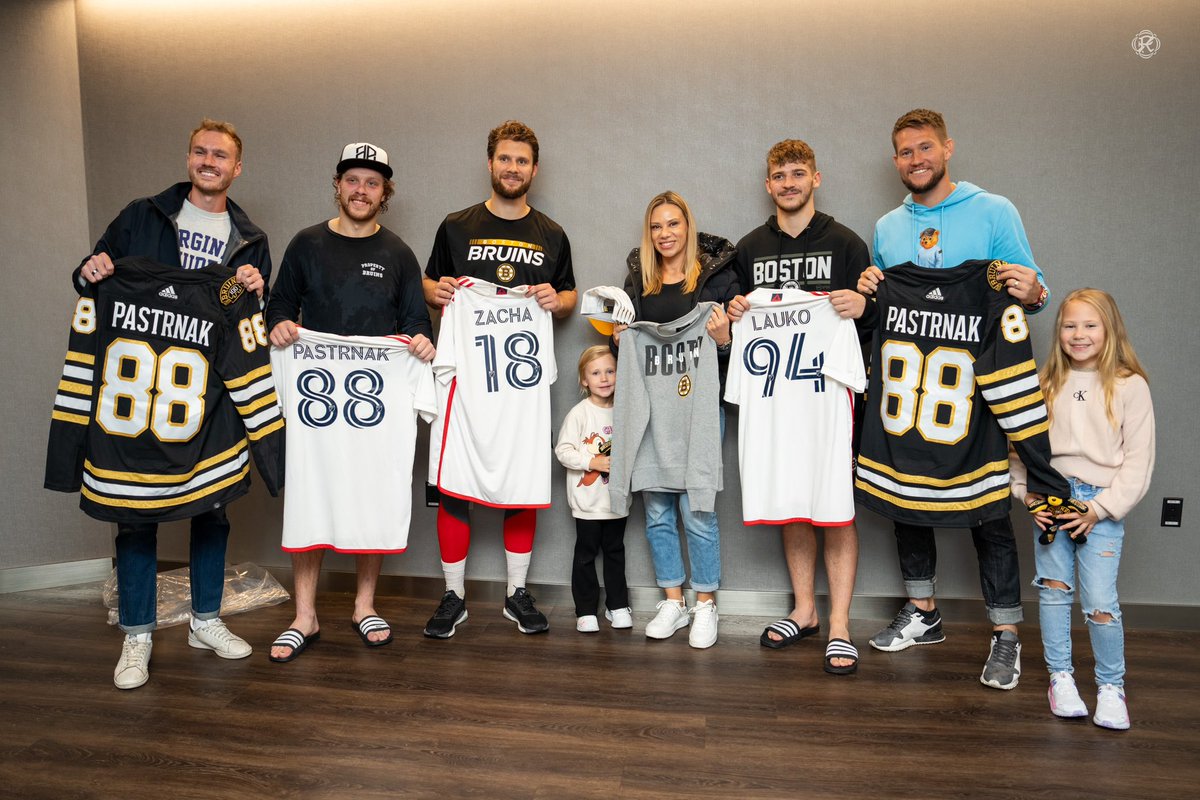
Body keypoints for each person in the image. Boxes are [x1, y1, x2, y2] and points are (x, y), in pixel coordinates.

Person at [858, 108, 1054, 690]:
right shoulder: (887, 227)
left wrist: (1034, 289)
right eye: (905, 152)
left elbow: (1030, 292)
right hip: (911, 395)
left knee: (990, 513)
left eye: (925, 148)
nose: (916, 160)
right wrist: (872, 287)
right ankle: (924, 612)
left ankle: (1006, 634)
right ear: (895, 161)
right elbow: (883, 311)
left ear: (947, 148)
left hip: (979, 391)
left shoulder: (995, 210)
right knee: (907, 500)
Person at [75, 118, 271, 689]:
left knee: (213, 506)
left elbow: (236, 314)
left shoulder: (248, 238)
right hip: (142, 391)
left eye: (221, 155)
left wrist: (251, 285)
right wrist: (88, 272)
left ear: (238, 168)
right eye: (200, 152)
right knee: (134, 513)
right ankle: (137, 634)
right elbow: (95, 278)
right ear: (189, 159)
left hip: (205, 393)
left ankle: (204, 619)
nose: (209, 161)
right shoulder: (143, 215)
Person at [265, 142, 435, 662]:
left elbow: (415, 324)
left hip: (374, 409)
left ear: (386, 193)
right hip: (317, 407)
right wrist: (281, 328)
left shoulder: (399, 253)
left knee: (375, 493)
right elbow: (275, 308)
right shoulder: (306, 244)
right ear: (337, 184)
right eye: (353, 180)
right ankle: (305, 614)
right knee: (311, 493)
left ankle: (365, 605)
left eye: (373, 183)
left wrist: (422, 343)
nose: (362, 191)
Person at [421, 120, 576, 637]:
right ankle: (453, 595)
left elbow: (569, 295)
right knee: (454, 489)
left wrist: (558, 300)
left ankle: (516, 593)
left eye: (522, 161)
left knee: (522, 486)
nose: (513, 168)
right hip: (467, 383)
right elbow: (428, 281)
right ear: (490, 163)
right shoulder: (456, 225)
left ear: (535, 168)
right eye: (505, 159)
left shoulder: (551, 233)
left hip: (520, 390)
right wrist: (436, 290)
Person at [727, 139, 870, 674]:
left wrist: (863, 304)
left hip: (826, 401)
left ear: (816, 178)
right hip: (773, 402)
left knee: (832, 504)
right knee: (792, 500)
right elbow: (728, 324)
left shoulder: (846, 243)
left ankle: (840, 625)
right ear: (768, 185)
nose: (789, 183)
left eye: (798, 173)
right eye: (779, 176)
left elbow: (874, 316)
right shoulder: (748, 248)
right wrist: (734, 313)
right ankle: (805, 610)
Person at [1011, 289, 1155, 730]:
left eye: (1090, 325)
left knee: (1099, 600)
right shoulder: (1045, 382)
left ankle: (1111, 687)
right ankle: (1062, 678)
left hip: (1100, 504)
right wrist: (1026, 494)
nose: (1079, 334)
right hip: (1053, 497)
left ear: (1109, 329)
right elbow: (1022, 448)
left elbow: (1139, 461)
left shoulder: (1130, 385)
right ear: (1059, 332)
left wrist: (1099, 509)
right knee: (1054, 590)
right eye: (1070, 325)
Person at [611, 190, 738, 649]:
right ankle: (673, 601)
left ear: (688, 227)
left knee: (697, 508)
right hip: (651, 410)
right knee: (658, 512)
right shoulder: (638, 281)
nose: (665, 234)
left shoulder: (717, 280)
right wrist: (619, 337)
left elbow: (737, 349)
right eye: (657, 226)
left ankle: (705, 604)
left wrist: (723, 340)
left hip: (699, 407)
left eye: (673, 224)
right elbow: (624, 352)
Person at [554, 346, 631, 633]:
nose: (605, 378)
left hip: (617, 501)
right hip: (587, 503)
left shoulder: (625, 412)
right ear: (584, 380)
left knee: (615, 552)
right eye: (596, 372)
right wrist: (592, 460)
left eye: (610, 371)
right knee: (585, 554)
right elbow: (563, 451)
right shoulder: (579, 413)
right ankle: (585, 609)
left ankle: (618, 605)